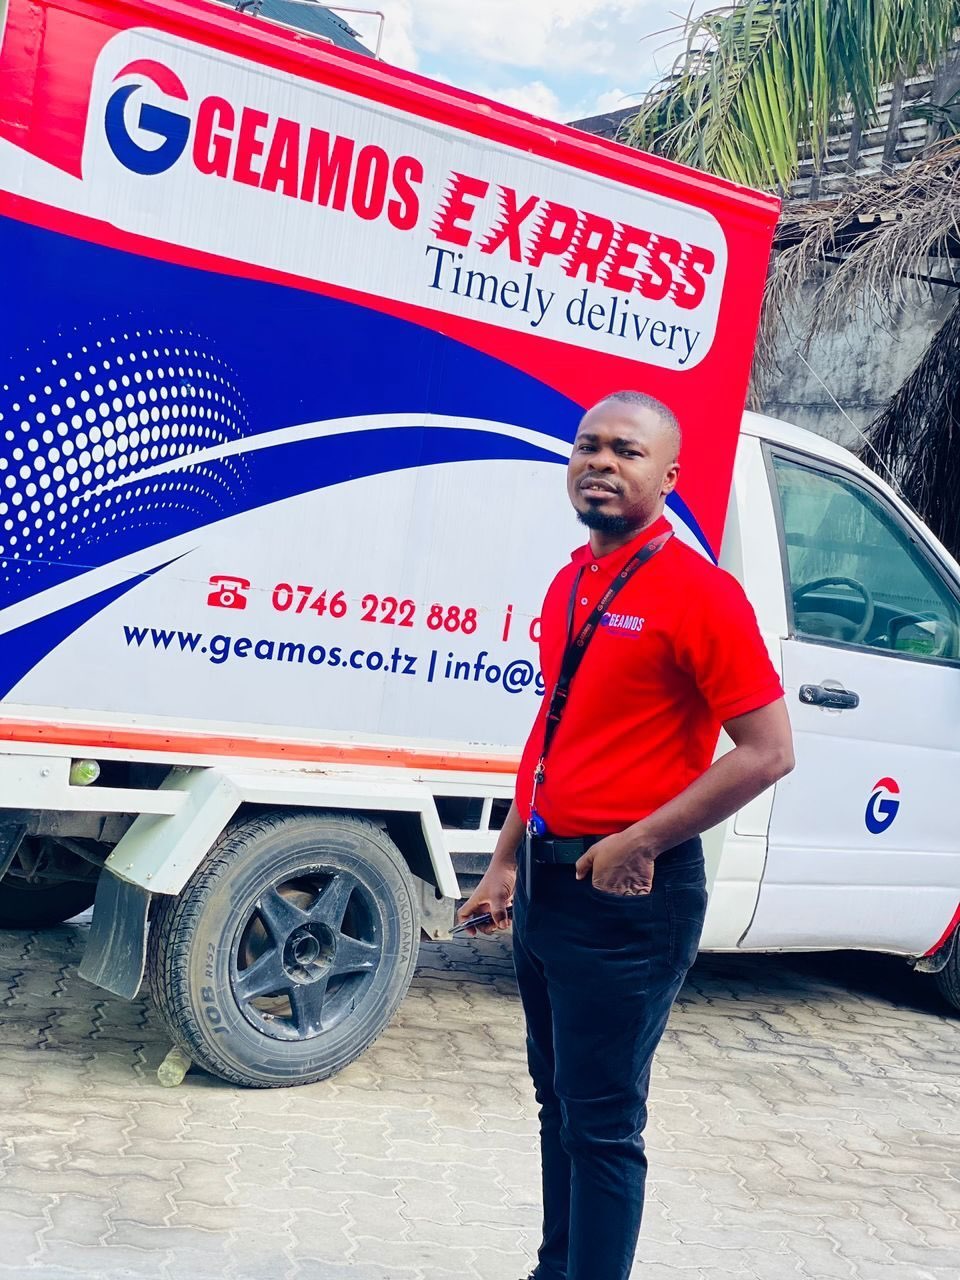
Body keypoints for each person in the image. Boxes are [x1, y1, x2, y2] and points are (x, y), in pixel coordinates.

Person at [457, 390, 795, 1280]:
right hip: (546, 883)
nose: (602, 462)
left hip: (632, 902)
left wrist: (641, 839)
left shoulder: (700, 594)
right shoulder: (571, 581)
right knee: (558, 1107)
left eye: (627, 451)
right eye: (589, 446)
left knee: (604, 1124)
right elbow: (555, 733)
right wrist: (503, 861)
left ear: (669, 476)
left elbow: (768, 751)